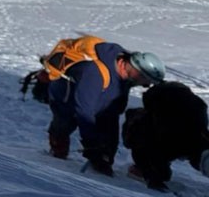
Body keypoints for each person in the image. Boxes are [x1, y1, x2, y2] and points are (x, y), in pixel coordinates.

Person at [43, 38, 165, 175]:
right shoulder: (94, 72)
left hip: (98, 97)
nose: (146, 85)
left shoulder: (127, 75)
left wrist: (107, 154)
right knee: (66, 122)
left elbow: (112, 115)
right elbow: (84, 111)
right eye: (146, 81)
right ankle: (57, 147)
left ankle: (102, 160)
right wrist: (91, 146)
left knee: (106, 122)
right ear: (137, 71)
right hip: (66, 95)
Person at [123, 81, 209, 191]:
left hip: (174, 139)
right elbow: (152, 147)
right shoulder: (151, 126)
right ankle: (143, 169)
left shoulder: (158, 121)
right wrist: (153, 176)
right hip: (166, 139)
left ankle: (144, 169)